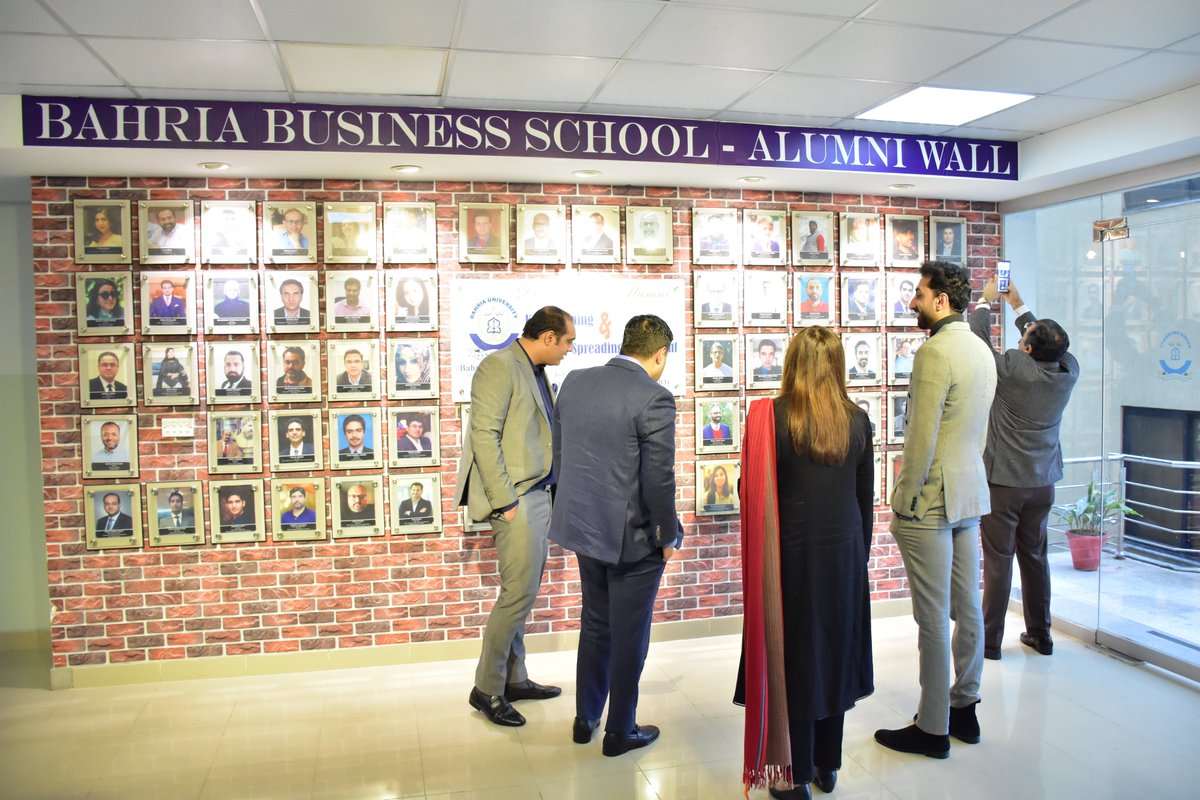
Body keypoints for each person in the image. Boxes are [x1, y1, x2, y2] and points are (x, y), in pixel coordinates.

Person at [735, 326, 874, 799]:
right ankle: (826, 765)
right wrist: (859, 560)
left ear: (791, 361)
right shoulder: (857, 420)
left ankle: (792, 775)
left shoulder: (769, 418)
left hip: (790, 559)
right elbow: (864, 500)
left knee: (793, 658)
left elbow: (748, 492)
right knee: (833, 653)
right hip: (844, 556)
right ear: (837, 365)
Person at [874, 260, 996, 759]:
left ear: (941, 300)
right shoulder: (982, 349)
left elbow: (919, 440)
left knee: (931, 618)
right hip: (970, 492)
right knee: (968, 609)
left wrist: (902, 502)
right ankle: (964, 709)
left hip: (932, 500)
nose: (913, 302)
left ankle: (931, 727)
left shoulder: (934, 352)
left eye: (919, 294)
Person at [549, 314, 681, 756]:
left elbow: (563, 457)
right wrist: (666, 536)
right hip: (633, 540)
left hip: (585, 528)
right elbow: (659, 480)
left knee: (596, 624)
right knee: (630, 635)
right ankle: (620, 730)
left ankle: (586, 717)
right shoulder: (655, 397)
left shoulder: (575, 381)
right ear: (659, 354)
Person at [455, 306, 576, 727]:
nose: (569, 349)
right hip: (518, 498)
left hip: (538, 495)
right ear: (547, 338)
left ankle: (514, 677)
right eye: (567, 341)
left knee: (522, 591)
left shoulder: (537, 371)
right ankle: (486, 688)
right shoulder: (498, 366)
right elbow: (483, 437)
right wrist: (504, 501)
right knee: (517, 595)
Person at [970, 275, 1079, 660]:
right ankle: (1041, 634)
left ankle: (989, 643)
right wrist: (1019, 306)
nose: (1019, 342)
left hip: (1004, 484)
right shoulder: (1068, 372)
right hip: (1043, 483)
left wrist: (984, 302)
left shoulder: (1015, 369)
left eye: (1023, 339)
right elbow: (1054, 347)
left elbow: (979, 344)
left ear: (1027, 348)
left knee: (999, 561)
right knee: (1035, 557)